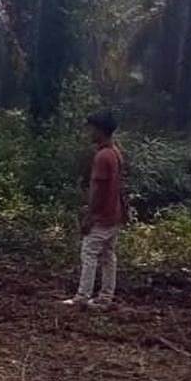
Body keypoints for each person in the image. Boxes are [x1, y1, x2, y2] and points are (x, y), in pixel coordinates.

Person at [65, 111, 126, 307]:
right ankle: (105, 297)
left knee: (89, 252)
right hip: (114, 214)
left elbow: (98, 190)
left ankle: (82, 296)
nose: (90, 132)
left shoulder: (102, 156)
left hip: (102, 216)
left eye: (92, 129)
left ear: (100, 131)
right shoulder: (116, 153)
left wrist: (90, 216)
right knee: (108, 255)